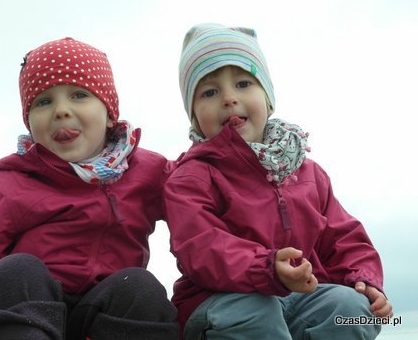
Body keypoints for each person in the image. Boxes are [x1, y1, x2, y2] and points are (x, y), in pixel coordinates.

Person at [0, 37, 179, 340]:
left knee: (139, 286)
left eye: (79, 95)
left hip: (105, 317)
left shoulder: (148, 172)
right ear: (29, 122)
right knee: (17, 271)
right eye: (43, 101)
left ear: (109, 114)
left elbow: (201, 198)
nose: (61, 110)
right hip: (33, 316)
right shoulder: (11, 184)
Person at [163, 23, 392, 339]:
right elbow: (200, 246)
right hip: (219, 302)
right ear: (194, 115)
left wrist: (363, 280)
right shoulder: (190, 176)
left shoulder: (308, 173)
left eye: (243, 83)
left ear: (268, 99)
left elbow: (343, 236)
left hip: (299, 296)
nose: (229, 98)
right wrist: (267, 268)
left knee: (351, 309)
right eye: (210, 92)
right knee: (257, 310)